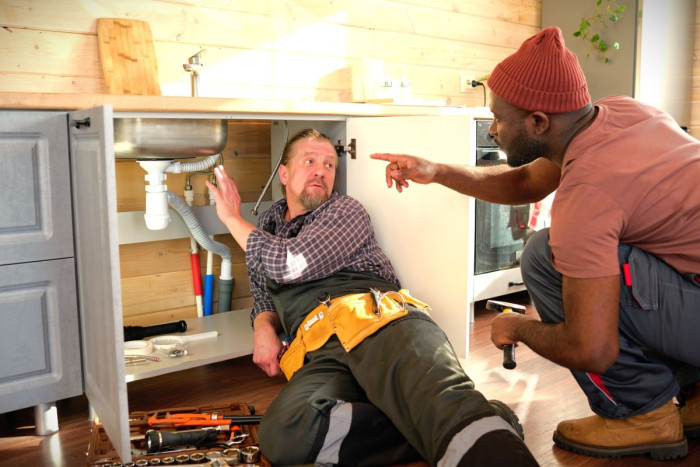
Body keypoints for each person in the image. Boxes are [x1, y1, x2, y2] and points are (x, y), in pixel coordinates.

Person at [371, 26, 700, 461]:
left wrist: (518, 328)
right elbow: (527, 180)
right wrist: (436, 171)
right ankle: (694, 395)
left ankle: (643, 415)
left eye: (499, 119)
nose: (492, 130)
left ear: (539, 122)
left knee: (544, 256)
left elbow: (592, 348)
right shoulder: (621, 111)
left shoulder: (587, 195)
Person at [205, 128, 537, 466]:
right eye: (309, 161)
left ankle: (455, 420)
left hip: (380, 323)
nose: (321, 170)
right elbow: (264, 296)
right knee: (284, 434)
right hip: (320, 349)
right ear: (284, 174)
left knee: (442, 400)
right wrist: (263, 327)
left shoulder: (344, 212)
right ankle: (439, 423)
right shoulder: (266, 228)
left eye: (330, 165)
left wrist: (231, 217)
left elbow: (288, 264)